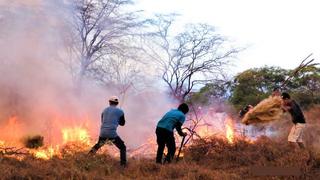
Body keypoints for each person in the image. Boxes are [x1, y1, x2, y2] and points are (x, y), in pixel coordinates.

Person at [89, 96, 127, 166]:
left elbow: (103, 121)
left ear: (109, 102)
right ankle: (123, 166)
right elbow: (122, 124)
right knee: (123, 147)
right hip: (112, 134)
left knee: (98, 145)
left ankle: (88, 157)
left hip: (103, 132)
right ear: (117, 103)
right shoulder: (120, 112)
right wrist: (117, 119)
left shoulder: (104, 110)